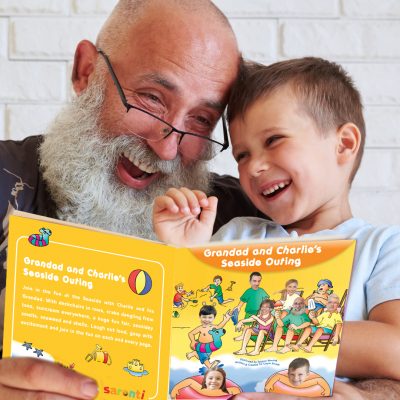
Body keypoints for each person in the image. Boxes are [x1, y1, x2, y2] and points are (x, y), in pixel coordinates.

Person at [0, 1, 268, 398]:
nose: (167, 149)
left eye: (201, 120)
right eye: (152, 98)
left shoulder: (245, 223)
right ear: (85, 71)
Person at [153, 57, 400, 397]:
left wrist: (271, 335)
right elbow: (184, 324)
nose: (254, 167)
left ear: (343, 144)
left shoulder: (382, 246)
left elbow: (395, 349)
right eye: (241, 155)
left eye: (273, 141)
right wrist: (186, 252)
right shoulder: (238, 234)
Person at [186, 305, 231, 369]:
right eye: (204, 317)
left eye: (210, 317)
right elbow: (191, 333)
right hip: (200, 346)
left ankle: (193, 354)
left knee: (204, 356)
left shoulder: (213, 327)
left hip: (210, 347)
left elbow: (220, 326)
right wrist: (193, 341)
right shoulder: (200, 328)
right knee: (203, 357)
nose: (207, 320)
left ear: (214, 318)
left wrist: (226, 319)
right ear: (200, 317)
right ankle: (209, 366)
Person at [231, 271, 269, 341]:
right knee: (246, 324)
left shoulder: (261, 291)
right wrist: (239, 307)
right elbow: (243, 300)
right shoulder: (248, 291)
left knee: (257, 325)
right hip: (249, 312)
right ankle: (243, 335)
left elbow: (266, 300)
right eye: (254, 281)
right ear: (250, 281)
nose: (257, 283)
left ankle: (257, 336)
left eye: (259, 281)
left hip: (259, 313)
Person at [265, 358, 331, 397]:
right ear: (288, 374)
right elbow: (277, 376)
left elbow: (320, 380)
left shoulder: (308, 383)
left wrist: (327, 389)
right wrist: (269, 384)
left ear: (307, 375)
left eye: (300, 374)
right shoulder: (286, 380)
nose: (295, 378)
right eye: (292, 374)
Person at [170, 367, 241, 399]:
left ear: (223, 381)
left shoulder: (231, 390)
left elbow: (238, 393)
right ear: (205, 381)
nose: (214, 381)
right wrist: (174, 390)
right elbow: (189, 381)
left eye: (218, 379)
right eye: (210, 378)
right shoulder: (200, 389)